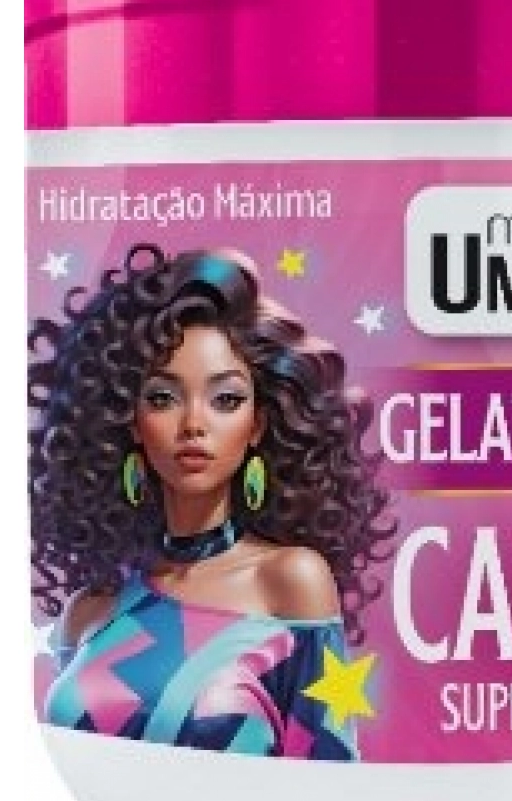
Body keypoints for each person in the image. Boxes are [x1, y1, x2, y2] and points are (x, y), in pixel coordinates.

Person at [30, 243, 394, 758]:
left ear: (257, 426)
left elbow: (328, 771)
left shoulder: (287, 581)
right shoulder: (91, 611)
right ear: (129, 422)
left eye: (226, 399)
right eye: (163, 398)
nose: (194, 424)